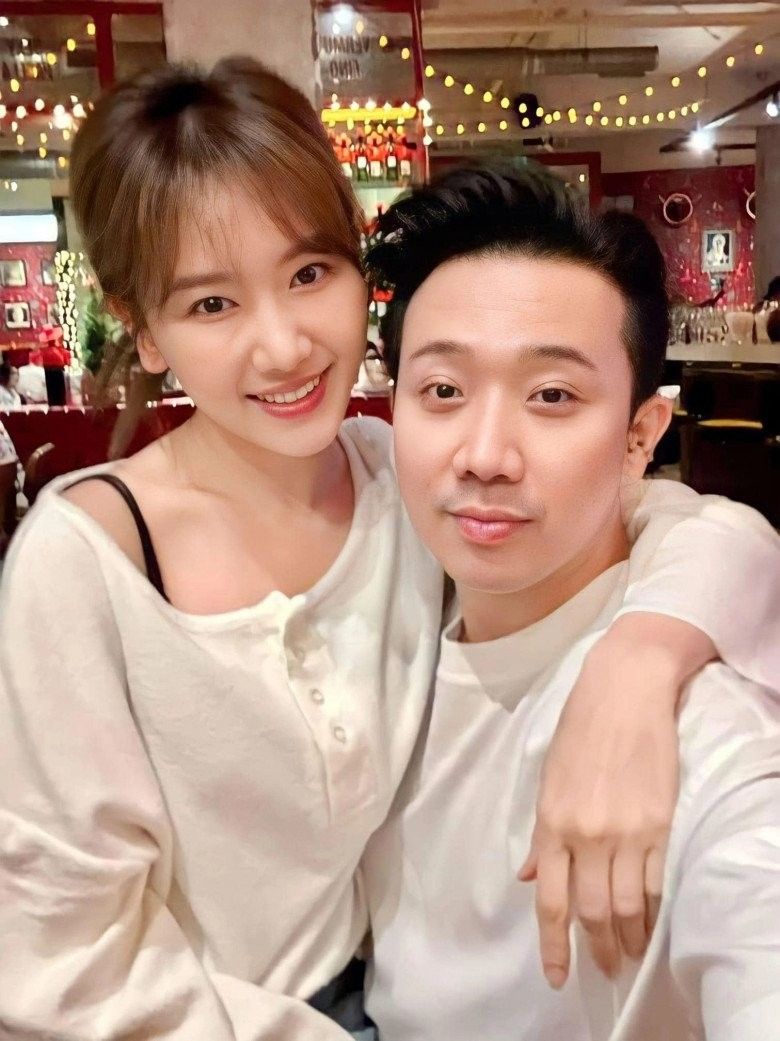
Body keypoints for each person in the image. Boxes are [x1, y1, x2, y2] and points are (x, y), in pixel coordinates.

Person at [0, 62, 778, 1041]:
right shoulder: (91, 560)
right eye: (210, 306)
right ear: (141, 327)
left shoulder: (392, 479)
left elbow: (700, 527)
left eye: (308, 274)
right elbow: (57, 960)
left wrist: (640, 660)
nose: (284, 346)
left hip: (382, 993)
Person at [362, 164, 780, 1041]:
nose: (484, 454)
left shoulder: (698, 740)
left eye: (552, 395)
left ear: (640, 436)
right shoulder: (385, 601)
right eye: (443, 390)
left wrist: (642, 661)